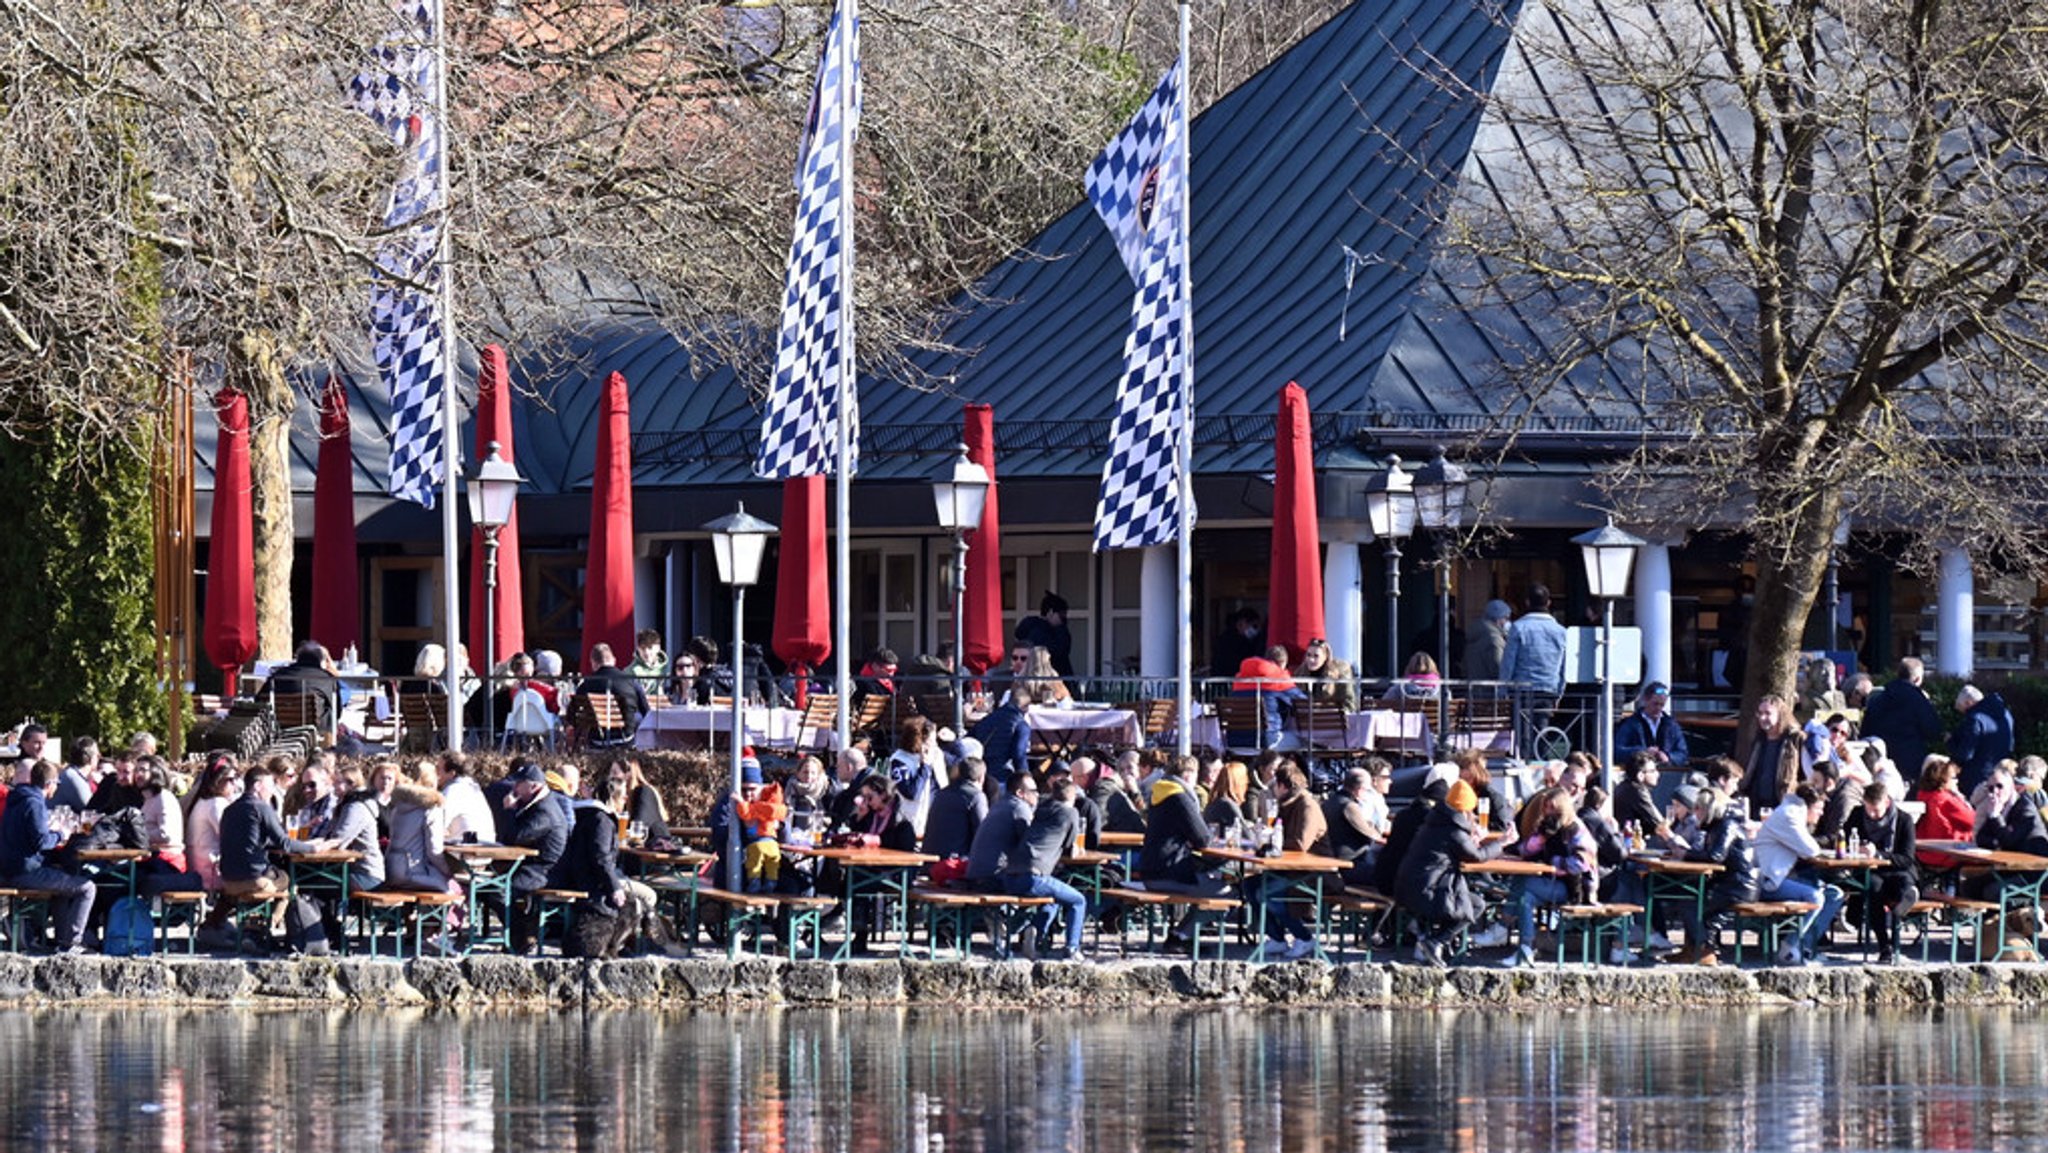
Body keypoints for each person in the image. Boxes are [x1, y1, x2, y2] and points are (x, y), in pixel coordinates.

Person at [216, 762, 328, 955]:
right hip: (254, 878)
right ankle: (266, 929)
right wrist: (312, 848)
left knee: (273, 877)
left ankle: (254, 931)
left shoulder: (229, 809)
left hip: (227, 878)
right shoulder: (261, 807)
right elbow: (284, 843)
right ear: (258, 786)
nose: (271, 792)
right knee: (289, 884)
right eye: (269, 787)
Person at [1394, 779, 1505, 965]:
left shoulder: (1437, 820)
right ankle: (1436, 941)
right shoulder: (1454, 831)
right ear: (1465, 810)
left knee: (1469, 902)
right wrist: (1501, 843)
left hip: (1413, 885)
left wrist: (1472, 838)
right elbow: (1476, 856)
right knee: (1475, 906)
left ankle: (1430, 941)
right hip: (1426, 890)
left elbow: (1460, 849)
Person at [1135, 756, 1232, 952]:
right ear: (1188, 775)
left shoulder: (1160, 793)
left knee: (1213, 883)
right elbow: (1203, 839)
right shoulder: (1180, 797)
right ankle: (1180, 936)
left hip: (1152, 869)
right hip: (1169, 872)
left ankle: (1180, 935)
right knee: (1227, 893)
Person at [549, 776, 651, 959]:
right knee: (643, 899)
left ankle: (619, 946)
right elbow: (601, 858)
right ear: (614, 798)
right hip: (594, 883)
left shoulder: (589, 815)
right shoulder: (602, 821)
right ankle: (618, 946)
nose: (626, 800)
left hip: (582, 878)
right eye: (623, 797)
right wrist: (614, 887)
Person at [0, 760, 96, 954]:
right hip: (24, 871)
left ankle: (63, 940)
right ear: (49, 784)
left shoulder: (16, 798)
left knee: (61, 884)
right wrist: (62, 835)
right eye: (56, 784)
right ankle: (72, 943)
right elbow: (41, 842)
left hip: (8, 868)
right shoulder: (35, 803)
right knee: (87, 888)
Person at [1750, 784, 1845, 965]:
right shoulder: (1790, 815)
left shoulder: (1792, 812)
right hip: (1769, 881)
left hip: (1782, 877)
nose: (1821, 814)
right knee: (1815, 897)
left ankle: (1805, 948)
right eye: (1819, 809)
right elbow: (1810, 849)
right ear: (1808, 806)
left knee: (1834, 894)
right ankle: (1788, 948)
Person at [1505, 788, 1598, 968]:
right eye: (1545, 807)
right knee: (1525, 898)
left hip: (1572, 887)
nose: (1547, 811)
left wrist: (1554, 862)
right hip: (1551, 881)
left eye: (1551, 807)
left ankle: (1503, 924)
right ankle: (1525, 949)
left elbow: (1581, 863)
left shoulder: (1575, 829)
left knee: (1524, 882)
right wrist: (1537, 840)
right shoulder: (1548, 827)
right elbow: (1527, 850)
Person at [1001, 777, 1089, 961]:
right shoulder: (1070, 812)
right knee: (1078, 901)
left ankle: (1034, 931)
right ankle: (1072, 949)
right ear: (1072, 796)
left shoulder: (1041, 810)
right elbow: (1069, 845)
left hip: (1009, 876)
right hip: (1033, 877)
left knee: (1054, 899)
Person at [1670, 787, 1759, 966]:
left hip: (1740, 885)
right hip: (1731, 882)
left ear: (1708, 809)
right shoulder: (1718, 826)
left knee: (1692, 905)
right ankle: (1692, 950)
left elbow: (1715, 856)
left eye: (1698, 809)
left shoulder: (1727, 826)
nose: (1695, 813)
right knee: (1688, 898)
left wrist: (1685, 855)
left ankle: (1705, 952)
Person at [1245, 762, 1326, 961]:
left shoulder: (1307, 806)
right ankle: (1276, 937)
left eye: (1275, 786)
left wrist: (1272, 841)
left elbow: (1300, 844)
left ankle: (1304, 937)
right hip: (1288, 867)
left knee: (1266, 893)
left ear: (1282, 786)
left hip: (1312, 870)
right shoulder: (1288, 804)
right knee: (1249, 884)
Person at [494, 761, 570, 953]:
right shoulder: (534, 804)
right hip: (534, 866)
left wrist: (510, 810)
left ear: (534, 786)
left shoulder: (544, 811)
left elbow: (514, 837)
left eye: (519, 784)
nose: (514, 787)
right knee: (490, 885)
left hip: (547, 871)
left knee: (498, 889)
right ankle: (520, 935)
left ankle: (522, 936)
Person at [1845, 782, 1918, 964]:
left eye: (1876, 810)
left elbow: (1906, 858)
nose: (1872, 815)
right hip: (1870, 870)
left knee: (1902, 882)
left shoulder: (1904, 820)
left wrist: (1878, 853)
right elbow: (1845, 839)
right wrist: (1857, 848)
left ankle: (1906, 898)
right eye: (1868, 809)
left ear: (1887, 802)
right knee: (1874, 889)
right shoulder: (1857, 815)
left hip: (1896, 869)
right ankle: (1885, 946)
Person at [1499, 585, 1567, 754]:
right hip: (1548, 687)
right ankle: (1540, 762)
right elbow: (1565, 666)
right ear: (1549, 603)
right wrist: (1560, 691)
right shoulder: (1561, 631)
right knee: (1542, 730)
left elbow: (1509, 662)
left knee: (1522, 733)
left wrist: (1503, 689)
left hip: (1521, 688)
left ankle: (1523, 761)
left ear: (1527, 602)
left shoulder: (1519, 627)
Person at [1859, 658, 1942, 786]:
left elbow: (1865, 731)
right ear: (1917, 679)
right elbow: (1932, 730)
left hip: (1881, 758)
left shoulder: (1880, 698)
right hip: (1910, 760)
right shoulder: (1918, 700)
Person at [1319, 764, 1390, 885]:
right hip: (1351, 863)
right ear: (1360, 790)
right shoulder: (1349, 807)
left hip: (1334, 859)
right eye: (1368, 790)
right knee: (1390, 875)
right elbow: (1372, 835)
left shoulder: (1331, 801)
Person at [259, 641, 349, 735]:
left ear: (298, 658)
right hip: (313, 730)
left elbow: (259, 700)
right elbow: (337, 712)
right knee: (330, 710)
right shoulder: (326, 678)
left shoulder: (277, 676)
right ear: (321, 661)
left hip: (278, 727)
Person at [570, 642, 652, 739]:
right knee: (637, 716)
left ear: (593, 663)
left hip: (597, 739)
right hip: (627, 738)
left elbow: (572, 715)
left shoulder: (586, 685)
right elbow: (647, 712)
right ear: (614, 660)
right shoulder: (630, 681)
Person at [1232, 646, 1305, 750]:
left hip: (1235, 739)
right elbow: (1304, 704)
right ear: (1282, 664)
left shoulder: (1239, 679)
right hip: (1267, 739)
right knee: (1305, 740)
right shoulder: (1279, 678)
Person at [1739, 693, 1802, 813]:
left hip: (1783, 805)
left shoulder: (1795, 739)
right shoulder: (1757, 740)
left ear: (1780, 715)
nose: (1762, 718)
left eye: (1768, 713)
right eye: (1760, 713)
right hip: (1756, 806)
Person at [1949, 684, 2016, 796]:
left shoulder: (1974, 719)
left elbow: (1965, 754)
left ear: (1969, 703)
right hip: (2001, 773)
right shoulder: (2006, 715)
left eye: (1963, 710)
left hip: (1975, 777)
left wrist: (1950, 742)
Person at [969, 679, 1035, 793]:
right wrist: (1026, 780)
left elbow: (970, 740)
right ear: (1026, 707)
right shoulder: (1021, 725)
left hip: (981, 776)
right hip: (1003, 778)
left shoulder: (988, 718)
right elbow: (1019, 755)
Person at [886, 716, 944, 839]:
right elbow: (911, 793)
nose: (935, 745)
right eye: (931, 741)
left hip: (934, 823)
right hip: (910, 824)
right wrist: (925, 767)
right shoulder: (899, 761)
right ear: (919, 742)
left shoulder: (937, 755)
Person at [922, 756, 988, 862]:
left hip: (929, 861)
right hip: (954, 863)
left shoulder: (942, 793)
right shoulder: (976, 797)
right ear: (981, 778)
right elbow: (983, 834)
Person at [1913, 755, 1976, 865]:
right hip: (1947, 852)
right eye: (1953, 778)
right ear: (1943, 780)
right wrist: (1959, 797)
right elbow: (1974, 821)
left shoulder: (1923, 795)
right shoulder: (1946, 800)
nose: (1956, 781)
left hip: (1924, 851)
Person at [1615, 681, 1689, 766]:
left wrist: (1668, 757)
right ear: (1645, 700)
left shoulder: (1671, 724)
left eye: (1662, 705)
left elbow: (1683, 753)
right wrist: (1642, 752)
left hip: (1667, 772)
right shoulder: (1631, 723)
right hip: (1640, 771)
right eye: (1655, 704)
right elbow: (1617, 751)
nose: (1658, 708)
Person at [437, 753, 497, 844]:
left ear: (452, 773)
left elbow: (437, 825)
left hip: (466, 851)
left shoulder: (453, 791)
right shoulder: (473, 788)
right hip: (485, 847)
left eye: (438, 769)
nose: (436, 773)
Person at [1014, 592, 1075, 681]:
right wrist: (1061, 629)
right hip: (1051, 681)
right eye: (1061, 615)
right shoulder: (1046, 633)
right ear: (1050, 612)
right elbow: (1060, 652)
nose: (1064, 619)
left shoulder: (1030, 628)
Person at [1294, 638, 1357, 713]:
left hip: (1333, 718)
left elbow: (1349, 703)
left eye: (1316, 656)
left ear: (1325, 657)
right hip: (1306, 718)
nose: (1311, 659)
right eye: (1309, 655)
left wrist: (1333, 712)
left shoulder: (1340, 673)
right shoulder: (1300, 673)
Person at [1465, 599, 1513, 683]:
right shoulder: (1495, 640)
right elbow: (1498, 669)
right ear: (1498, 619)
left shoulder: (1476, 635)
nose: (1507, 622)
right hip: (1491, 691)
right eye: (1506, 618)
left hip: (1475, 688)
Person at [1212, 608, 1265, 680]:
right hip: (1228, 679)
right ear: (1241, 623)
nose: (1256, 630)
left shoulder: (1248, 641)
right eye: (1254, 626)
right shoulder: (1229, 641)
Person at [52, 736, 97, 813]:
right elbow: (91, 811)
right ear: (92, 758)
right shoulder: (74, 778)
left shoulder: (69, 773)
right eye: (97, 755)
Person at [625, 628, 669, 694]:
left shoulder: (667, 667)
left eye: (650, 648)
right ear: (638, 649)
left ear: (658, 648)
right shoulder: (630, 671)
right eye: (642, 648)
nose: (646, 652)